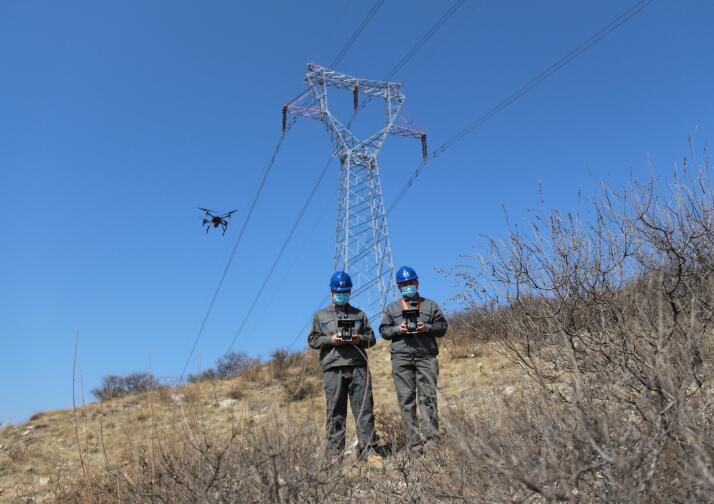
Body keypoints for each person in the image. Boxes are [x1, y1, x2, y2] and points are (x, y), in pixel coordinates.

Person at [308, 271, 382, 463]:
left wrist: (359, 339)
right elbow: (313, 340)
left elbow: (371, 338)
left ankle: (369, 451)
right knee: (335, 412)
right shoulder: (320, 316)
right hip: (333, 368)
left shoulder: (359, 314)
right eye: (338, 291)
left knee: (364, 409)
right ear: (331, 292)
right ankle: (334, 456)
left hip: (358, 367)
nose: (342, 294)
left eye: (346, 291)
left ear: (350, 291)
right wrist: (331, 340)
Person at [379, 266, 448, 453]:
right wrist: (397, 329)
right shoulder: (392, 308)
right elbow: (383, 331)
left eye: (410, 282)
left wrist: (427, 327)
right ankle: (414, 444)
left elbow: (442, 327)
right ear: (399, 286)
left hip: (426, 356)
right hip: (401, 359)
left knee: (428, 397)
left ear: (417, 282)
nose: (408, 286)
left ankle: (431, 439)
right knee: (406, 399)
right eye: (404, 284)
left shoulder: (431, 305)